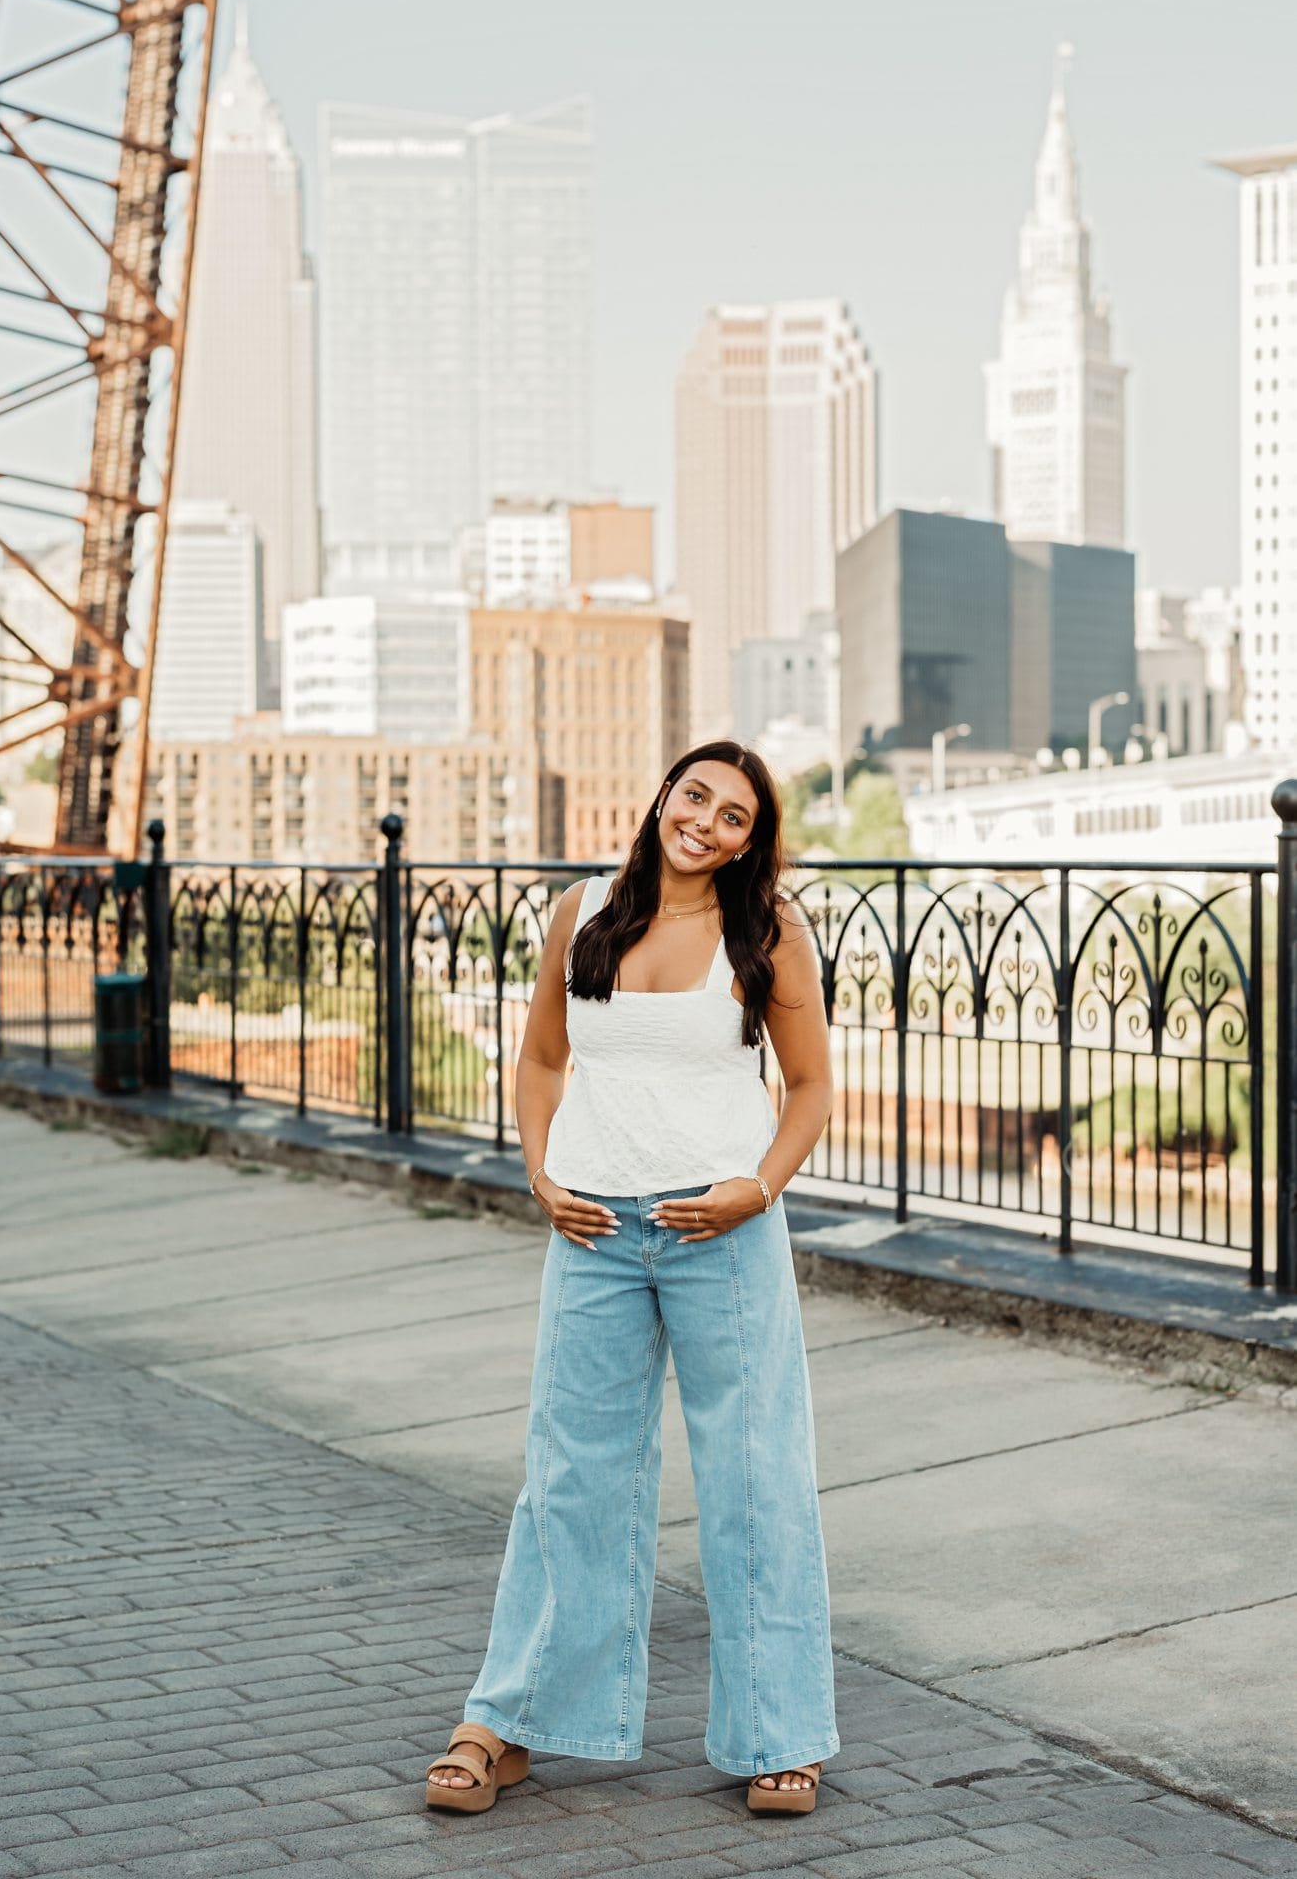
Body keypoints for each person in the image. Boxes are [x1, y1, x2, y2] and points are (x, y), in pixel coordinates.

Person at [425, 740, 839, 1817]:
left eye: (734, 813)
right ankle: (506, 1721)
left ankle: (777, 1734)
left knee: (756, 1483)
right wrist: (539, 1169)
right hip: (596, 1228)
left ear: (753, 838)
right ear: (661, 794)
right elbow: (542, 1058)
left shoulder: (767, 930)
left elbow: (807, 1087)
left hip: (723, 1232)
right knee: (568, 1480)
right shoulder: (582, 913)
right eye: (693, 793)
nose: (705, 819)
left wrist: (756, 1186)